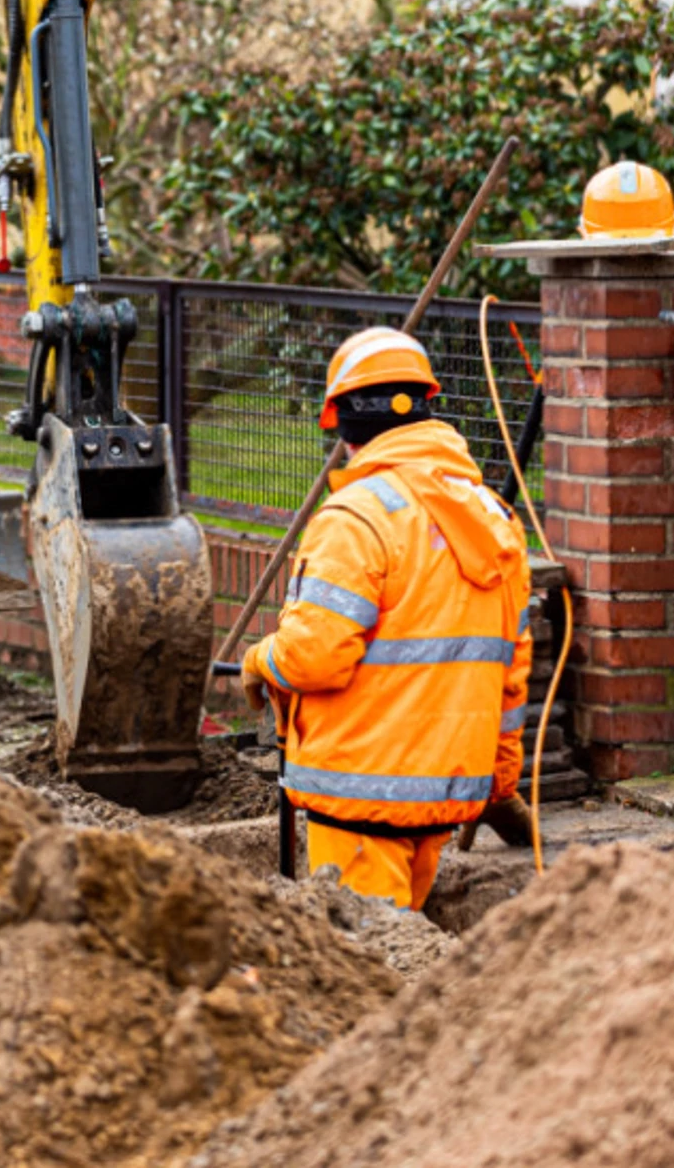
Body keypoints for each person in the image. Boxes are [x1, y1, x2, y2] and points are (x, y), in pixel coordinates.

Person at [241, 327, 534, 911]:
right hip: (441, 799)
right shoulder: (492, 519)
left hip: (359, 801)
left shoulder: (356, 518)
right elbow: (511, 672)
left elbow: (313, 656)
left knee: (364, 970)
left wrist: (258, 658)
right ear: (428, 409)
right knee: (405, 956)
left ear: (343, 425)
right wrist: (500, 781)